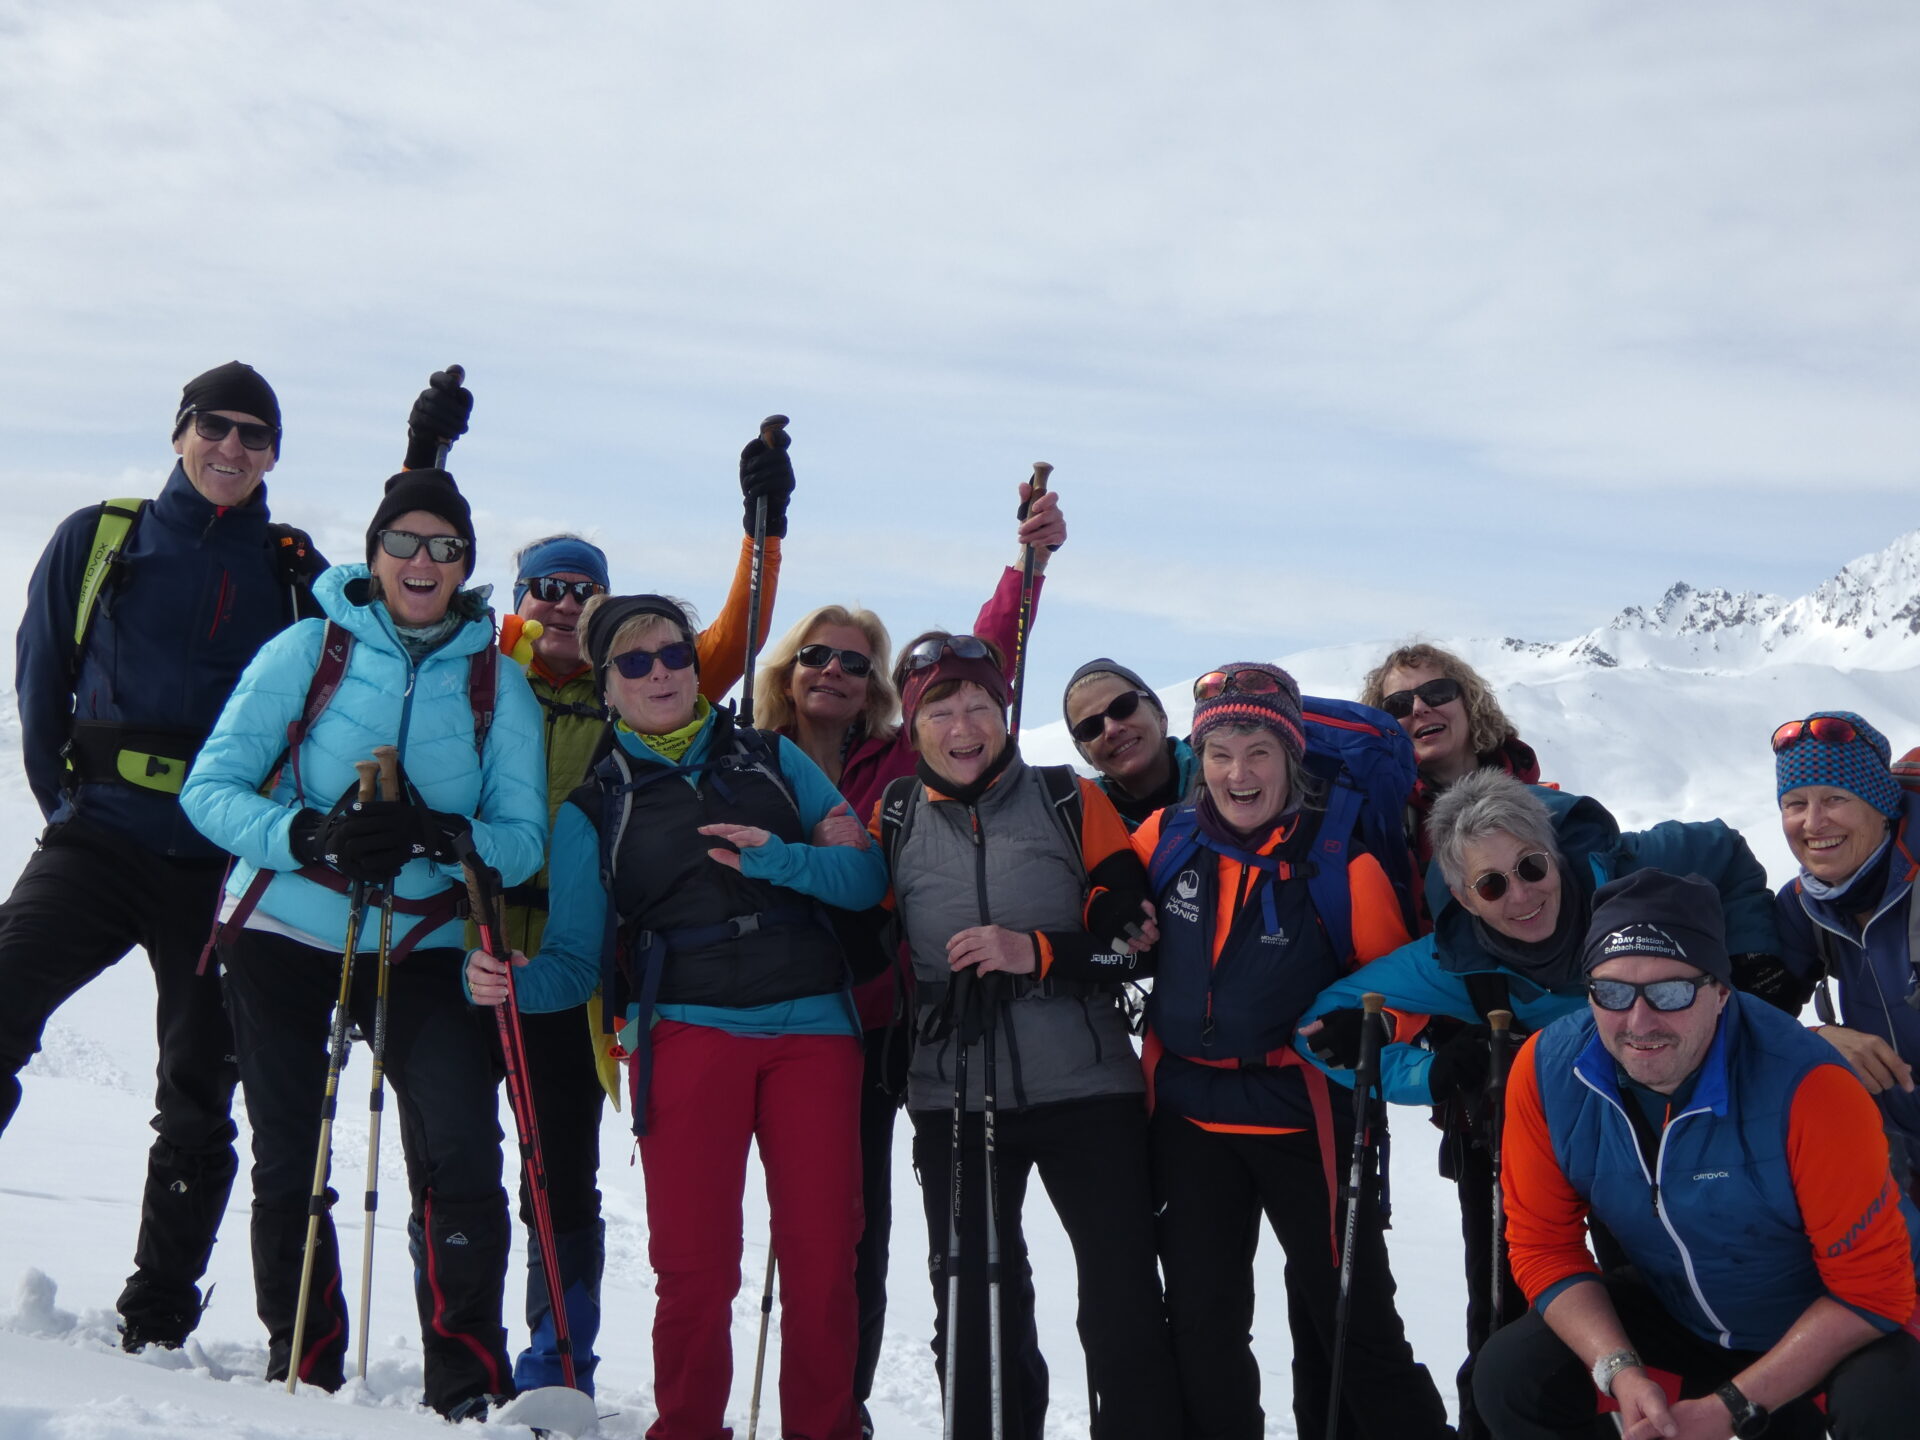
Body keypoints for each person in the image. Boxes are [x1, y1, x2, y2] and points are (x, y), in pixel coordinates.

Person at [468, 592, 887, 1440]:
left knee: (821, 1261)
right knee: (694, 1268)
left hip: (814, 1033)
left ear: (697, 670)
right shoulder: (592, 810)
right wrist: (511, 982)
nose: (658, 674)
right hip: (689, 1032)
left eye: (673, 656)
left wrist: (784, 862)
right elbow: (575, 965)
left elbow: (865, 879)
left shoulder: (773, 759)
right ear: (605, 684)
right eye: (634, 662)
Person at [181, 468, 547, 1417]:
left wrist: (442, 836)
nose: (423, 560)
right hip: (282, 927)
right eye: (405, 541)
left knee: (459, 1147)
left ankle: (466, 1379)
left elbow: (524, 840)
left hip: (424, 942)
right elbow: (209, 789)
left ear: (464, 564)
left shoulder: (497, 682)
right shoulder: (309, 648)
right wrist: (309, 835)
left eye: (445, 546)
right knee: (291, 1148)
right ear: (375, 552)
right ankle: (304, 1363)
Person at [1299, 768, 1783, 1439]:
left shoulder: (1632, 873)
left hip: (1680, 1130)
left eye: (1531, 867)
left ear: (1554, 853)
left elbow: (1724, 849)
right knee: (1526, 1327)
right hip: (1559, 1141)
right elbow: (1319, 1030)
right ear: (1464, 898)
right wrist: (1429, 1075)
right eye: (1492, 885)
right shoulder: (1456, 960)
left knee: (1687, 1301)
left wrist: (1752, 963)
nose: (1522, 896)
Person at [0, 361, 323, 1352]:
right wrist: (69, 805)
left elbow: (349, 676)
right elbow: (41, 679)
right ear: (180, 433)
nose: (231, 448)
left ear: (273, 454)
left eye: (254, 435)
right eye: (213, 426)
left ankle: (157, 1317)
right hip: (99, 840)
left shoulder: (293, 573)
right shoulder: (101, 537)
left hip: (223, 868)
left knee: (198, 1087)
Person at [478, 419, 796, 1393]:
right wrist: (425, 463)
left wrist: (762, 527)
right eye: (547, 586)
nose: (564, 601)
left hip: (572, 961)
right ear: (520, 599)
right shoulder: (481, 670)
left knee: (557, 1163)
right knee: (454, 1154)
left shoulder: (634, 685)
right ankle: (462, 1359)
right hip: (465, 938)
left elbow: (736, 635)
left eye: (584, 590)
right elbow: (408, 585)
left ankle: (556, 1360)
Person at [748, 477, 1064, 1431]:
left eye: (856, 661)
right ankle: (828, 1405)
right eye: (817, 655)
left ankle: (866, 1406)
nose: (835, 672)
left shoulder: (900, 760)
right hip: (780, 1017)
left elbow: (984, 659)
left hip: (890, 1026)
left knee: (877, 1230)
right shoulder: (744, 755)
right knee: (818, 1229)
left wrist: (1028, 566)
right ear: (787, 668)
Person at [1475, 868, 1920, 1440]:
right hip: (1687, 1315)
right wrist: (1620, 1369)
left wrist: (1728, 1408)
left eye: (1670, 992)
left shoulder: (1811, 1086)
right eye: (1612, 992)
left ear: (1720, 991)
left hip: (1847, 1322)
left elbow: (1872, 1293)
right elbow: (1544, 1248)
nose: (1639, 1022)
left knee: (1889, 1405)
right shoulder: (1548, 1072)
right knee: (1513, 1374)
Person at [877, 631, 1181, 1440]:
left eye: (979, 705)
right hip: (951, 1091)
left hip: (1089, 1089)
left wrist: (1039, 950)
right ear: (914, 727)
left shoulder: (1067, 799)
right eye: (941, 710)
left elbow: (1135, 945)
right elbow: (859, 934)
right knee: (973, 1305)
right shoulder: (893, 818)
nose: (963, 726)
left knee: (1121, 1302)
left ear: (1005, 714)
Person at [1135, 661, 1449, 1440]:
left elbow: (1407, 992)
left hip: (1306, 1121)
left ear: (1291, 756)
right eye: (1219, 754)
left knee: (1354, 1326)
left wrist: (1374, 1029)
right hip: (1188, 1120)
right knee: (1202, 1328)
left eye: (1258, 752)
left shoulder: (1344, 864)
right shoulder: (1165, 839)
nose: (1238, 774)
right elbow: (1101, 899)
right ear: (1199, 760)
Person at [1773, 711, 1920, 1190]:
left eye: (1836, 798)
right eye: (1795, 803)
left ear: (1881, 805)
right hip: (1900, 1159)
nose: (1813, 823)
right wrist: (1814, 1038)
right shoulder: (1804, 905)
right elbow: (1744, 1014)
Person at [1359, 643, 1541, 876]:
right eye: (1399, 704)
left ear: (1469, 703)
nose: (1419, 708)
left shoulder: (1540, 803)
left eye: (1436, 692)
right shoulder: (1376, 823)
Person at [1062, 658, 1193, 830]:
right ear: (1086, 755)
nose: (1111, 729)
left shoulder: (1222, 772)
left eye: (1123, 707)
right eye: (1090, 727)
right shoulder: (1079, 825)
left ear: (1160, 716)